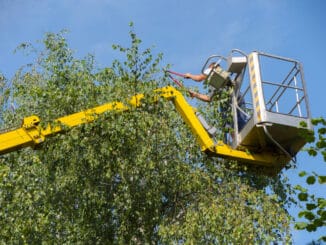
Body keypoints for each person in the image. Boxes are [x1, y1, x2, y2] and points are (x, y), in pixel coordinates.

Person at [184, 63, 248, 135]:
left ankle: (236, 140)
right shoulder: (217, 82)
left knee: (228, 124)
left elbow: (199, 78)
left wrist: (189, 75)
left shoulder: (214, 71)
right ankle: (239, 139)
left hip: (228, 100)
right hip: (236, 95)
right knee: (240, 120)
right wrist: (195, 94)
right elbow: (209, 99)